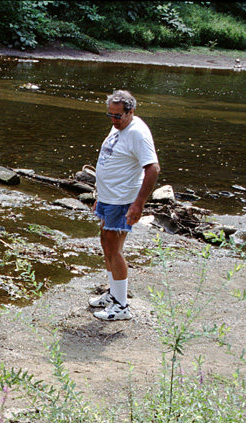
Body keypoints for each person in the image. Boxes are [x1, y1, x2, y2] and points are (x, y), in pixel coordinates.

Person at [89, 90, 160, 321]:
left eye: (118, 116)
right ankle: (113, 294)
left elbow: (153, 168)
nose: (113, 120)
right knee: (105, 243)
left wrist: (138, 204)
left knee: (113, 249)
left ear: (131, 111)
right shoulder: (119, 125)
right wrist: (100, 194)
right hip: (109, 197)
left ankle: (121, 306)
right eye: (110, 115)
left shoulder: (137, 133)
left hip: (122, 199)